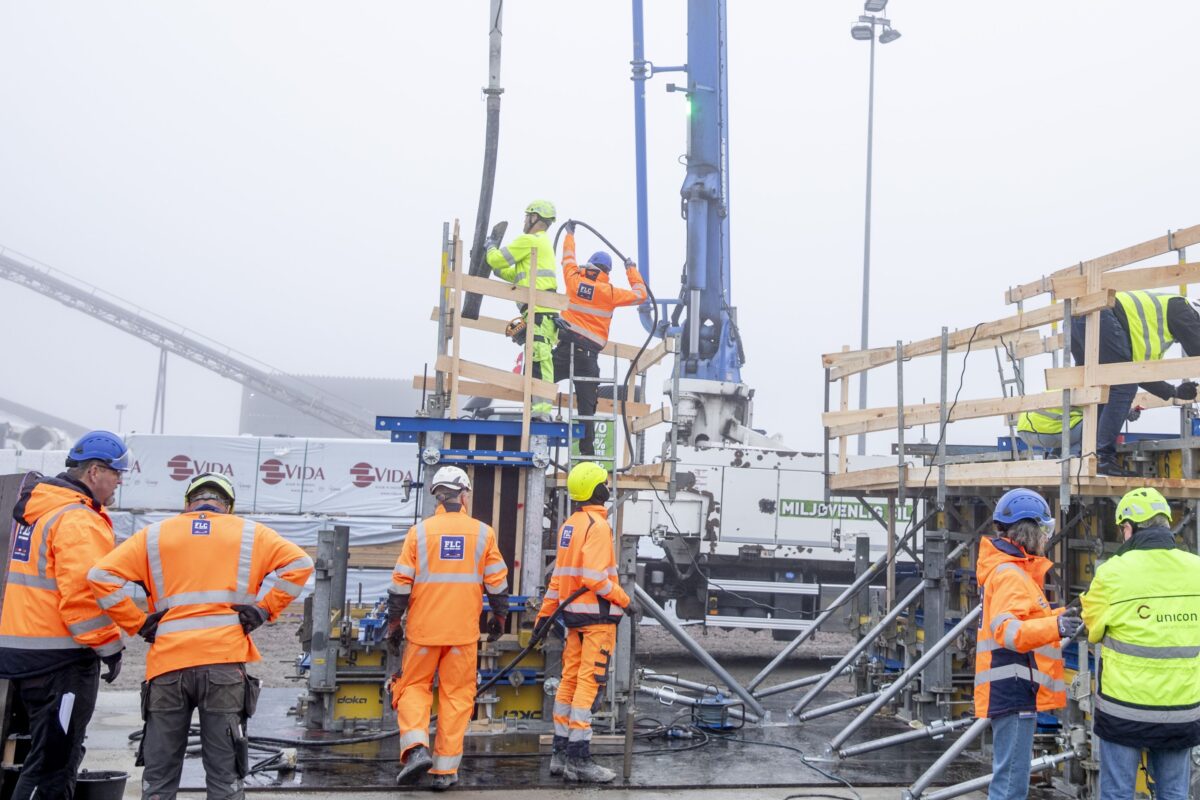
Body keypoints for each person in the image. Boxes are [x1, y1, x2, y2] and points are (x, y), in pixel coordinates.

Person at [87, 472, 314, 800]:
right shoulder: (251, 534)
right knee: (225, 777)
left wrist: (137, 623)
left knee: (159, 777)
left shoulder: (154, 536)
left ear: (187, 503)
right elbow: (301, 563)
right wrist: (265, 609)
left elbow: (99, 576)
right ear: (229, 505)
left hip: (167, 668)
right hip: (224, 667)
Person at [0, 431, 128, 800]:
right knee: (53, 766)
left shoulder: (39, 510)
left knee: (42, 759)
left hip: (26, 657)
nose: (119, 481)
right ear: (94, 472)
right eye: (116, 473)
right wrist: (110, 648)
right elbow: (84, 597)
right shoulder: (77, 519)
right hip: (60, 662)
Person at [389, 466, 509, 792]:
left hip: (423, 633)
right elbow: (497, 583)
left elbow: (400, 583)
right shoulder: (484, 533)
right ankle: (444, 772)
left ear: (437, 497)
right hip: (462, 636)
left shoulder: (419, 533)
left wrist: (394, 623)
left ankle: (415, 749)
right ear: (464, 495)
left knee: (413, 687)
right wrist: (500, 619)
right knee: (457, 697)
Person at [1081, 487, 1200, 800]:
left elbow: (1092, 628)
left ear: (1129, 529)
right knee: (1174, 793)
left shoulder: (1112, 573)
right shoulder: (1197, 570)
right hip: (1181, 711)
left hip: (1124, 711)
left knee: (1118, 794)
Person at [974, 488, 1078, 800]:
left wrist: (1061, 615)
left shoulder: (1011, 570)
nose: (1047, 537)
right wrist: (1056, 626)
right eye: (1044, 529)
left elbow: (1026, 618)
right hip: (1015, 689)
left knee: (1010, 779)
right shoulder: (1010, 574)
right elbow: (1008, 632)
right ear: (1028, 531)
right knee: (1011, 785)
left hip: (1014, 688)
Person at [535, 462, 633, 783]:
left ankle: (560, 755)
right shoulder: (598, 526)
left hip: (573, 618)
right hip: (597, 619)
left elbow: (557, 581)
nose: (608, 488)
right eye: (604, 484)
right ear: (597, 491)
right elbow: (594, 577)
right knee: (589, 685)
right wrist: (624, 600)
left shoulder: (570, 525)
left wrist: (544, 618)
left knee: (570, 682)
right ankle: (579, 759)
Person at [1070, 291, 1200, 475]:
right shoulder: (1183, 309)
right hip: (1102, 314)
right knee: (1122, 385)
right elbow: (1197, 347)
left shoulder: (1153, 324)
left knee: (1101, 388)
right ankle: (1102, 457)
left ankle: (1086, 454)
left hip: (1082, 316)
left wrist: (1174, 391)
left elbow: (1139, 372)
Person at [553, 221, 648, 455]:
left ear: (590, 265)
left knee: (538, 381)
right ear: (607, 271)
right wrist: (631, 268)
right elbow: (641, 294)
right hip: (587, 357)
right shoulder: (610, 293)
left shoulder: (574, 280)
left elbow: (568, 258)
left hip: (564, 349)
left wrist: (569, 234)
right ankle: (586, 455)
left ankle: (536, 425)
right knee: (587, 408)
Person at [486, 200, 561, 417]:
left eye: (527, 216)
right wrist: (494, 267)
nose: (524, 220)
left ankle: (540, 413)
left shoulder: (530, 240)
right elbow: (513, 275)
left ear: (534, 218)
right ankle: (537, 410)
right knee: (537, 358)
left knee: (539, 358)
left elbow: (499, 259)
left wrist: (490, 248)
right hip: (540, 313)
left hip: (539, 312)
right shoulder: (540, 244)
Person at [1016, 407, 1082, 455]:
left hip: (1022, 427)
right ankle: (1074, 455)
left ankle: (1054, 455)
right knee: (1088, 424)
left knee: (1068, 426)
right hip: (1044, 428)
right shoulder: (1078, 393)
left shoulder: (1051, 391)